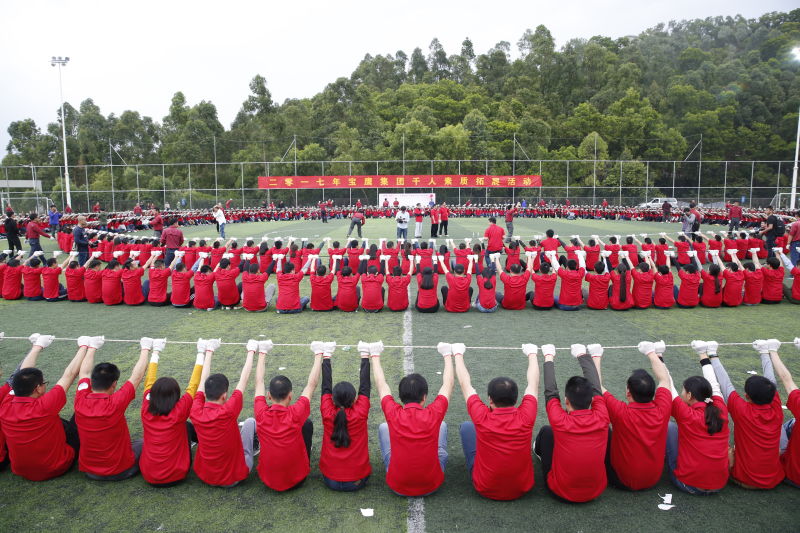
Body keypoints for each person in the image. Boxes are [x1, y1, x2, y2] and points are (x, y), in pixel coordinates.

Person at [0, 334, 89, 480]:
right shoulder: (45, 405)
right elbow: (70, 375)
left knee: (56, 422)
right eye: (44, 384)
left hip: (22, 471)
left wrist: (37, 347)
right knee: (83, 413)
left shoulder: (5, 405)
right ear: (38, 388)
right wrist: (85, 347)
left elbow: (22, 374)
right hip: (57, 467)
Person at [456, 344, 538, 500]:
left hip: (485, 487)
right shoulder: (526, 416)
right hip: (522, 487)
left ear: (490, 399)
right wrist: (532, 354)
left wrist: (457, 354)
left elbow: (465, 384)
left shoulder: (482, 417)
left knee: (467, 427)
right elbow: (533, 384)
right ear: (516, 399)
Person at [374, 340, 453, 496]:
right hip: (431, 486)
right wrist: (447, 355)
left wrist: (375, 355)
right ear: (424, 397)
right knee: (441, 427)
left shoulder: (394, 413)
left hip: (398, 487)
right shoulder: (433, 413)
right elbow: (448, 385)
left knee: (384, 428)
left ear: (401, 397)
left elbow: (381, 385)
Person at [534, 343, 609, 502]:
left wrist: (548, 357)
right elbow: (596, 388)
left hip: (560, 491)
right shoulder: (602, 416)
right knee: (607, 431)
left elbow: (551, 392)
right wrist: (582, 355)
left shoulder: (559, 420)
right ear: (592, 401)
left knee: (547, 432)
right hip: (596, 491)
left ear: (566, 401)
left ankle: (538, 451)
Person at [707, 339, 784, 489]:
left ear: (747, 396)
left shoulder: (742, 410)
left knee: (725, 448)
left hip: (744, 479)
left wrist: (712, 355)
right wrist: (764, 353)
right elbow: (771, 381)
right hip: (774, 479)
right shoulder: (776, 408)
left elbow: (725, 384)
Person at [597, 341, 672, 490]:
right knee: (671, 427)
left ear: (628, 393)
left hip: (621, 480)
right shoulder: (662, 409)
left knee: (602, 429)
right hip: (653, 479)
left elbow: (596, 386)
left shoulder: (621, 412)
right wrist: (651, 353)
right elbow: (664, 379)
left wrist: (595, 357)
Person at [74, 335, 150, 480]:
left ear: (92, 381)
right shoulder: (116, 402)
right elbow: (137, 377)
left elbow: (83, 373)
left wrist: (92, 348)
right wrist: (146, 348)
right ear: (114, 383)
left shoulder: (80, 399)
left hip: (90, 472)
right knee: (146, 441)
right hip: (122, 471)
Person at [254, 340, 321, 491]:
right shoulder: (296, 413)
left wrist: (262, 353)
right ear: (290, 395)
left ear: (269, 396)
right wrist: (319, 354)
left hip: (268, 480)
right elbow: (311, 385)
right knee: (307, 424)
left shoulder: (261, 413)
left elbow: (259, 382)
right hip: (297, 480)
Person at [190, 338, 257, 487]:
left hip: (206, 476)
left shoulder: (195, 411)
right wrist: (251, 351)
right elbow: (243, 380)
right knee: (250, 422)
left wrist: (209, 351)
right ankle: (255, 446)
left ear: (206, 393)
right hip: (233, 479)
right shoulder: (228, 410)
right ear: (224, 395)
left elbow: (202, 382)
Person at [667, 341, 730, 494]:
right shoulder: (719, 408)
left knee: (669, 427)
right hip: (719, 484)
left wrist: (658, 356)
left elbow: (668, 384)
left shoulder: (687, 415)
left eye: (684, 390)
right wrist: (703, 354)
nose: (681, 392)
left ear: (689, 395)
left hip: (689, 485)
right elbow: (714, 385)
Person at [140, 337, 204, 486]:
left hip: (149, 476)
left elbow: (149, 382)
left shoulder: (145, 409)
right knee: (186, 426)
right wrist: (201, 352)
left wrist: (156, 351)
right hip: (178, 474)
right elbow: (193, 385)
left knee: (139, 444)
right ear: (175, 396)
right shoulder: (179, 411)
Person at [319, 342, 372, 491]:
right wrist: (364, 356)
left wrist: (326, 356)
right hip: (358, 480)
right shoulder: (360, 411)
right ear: (355, 400)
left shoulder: (327, 410)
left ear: (332, 400)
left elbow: (326, 386)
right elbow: (365, 387)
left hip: (330, 480)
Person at [767, 340, 799, 487]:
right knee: (793, 422)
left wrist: (772, 350)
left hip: (793, 476)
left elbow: (786, 379)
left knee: (772, 421)